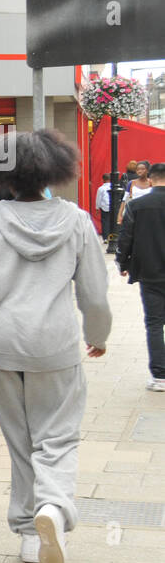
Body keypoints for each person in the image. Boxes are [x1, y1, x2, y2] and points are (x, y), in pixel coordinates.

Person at [0, 129, 112, 563]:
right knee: (57, 438)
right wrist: (98, 335)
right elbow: (94, 293)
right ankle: (54, 509)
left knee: (20, 441)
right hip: (57, 346)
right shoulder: (78, 221)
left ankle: (27, 533)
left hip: (5, 348)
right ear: (54, 170)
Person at [116, 161, 165, 391]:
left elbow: (126, 236)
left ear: (152, 179)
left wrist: (122, 261)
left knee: (154, 323)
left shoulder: (137, 205)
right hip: (152, 270)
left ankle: (159, 376)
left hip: (150, 271)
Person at [96, 173, 112, 240]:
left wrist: (97, 207)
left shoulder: (101, 188)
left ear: (103, 180)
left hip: (104, 207)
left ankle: (105, 238)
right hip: (112, 207)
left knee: (105, 222)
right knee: (112, 222)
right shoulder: (114, 187)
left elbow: (98, 199)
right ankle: (112, 237)